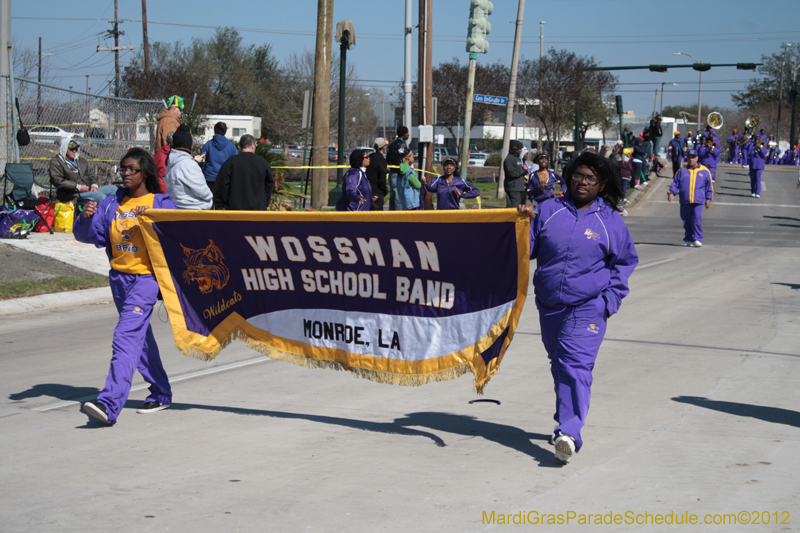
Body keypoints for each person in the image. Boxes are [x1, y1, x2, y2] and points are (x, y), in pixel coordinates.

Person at [518, 151, 638, 464]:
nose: (583, 182)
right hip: (549, 305)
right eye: (578, 175)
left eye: (591, 179)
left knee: (575, 365)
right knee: (559, 363)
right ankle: (565, 419)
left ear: (602, 185)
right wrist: (520, 222)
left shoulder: (610, 221)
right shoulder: (549, 210)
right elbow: (526, 250)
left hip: (587, 307)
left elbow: (625, 262)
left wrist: (608, 301)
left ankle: (569, 432)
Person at [75, 148, 175, 426]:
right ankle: (161, 392)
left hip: (146, 280)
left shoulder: (160, 202)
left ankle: (108, 404)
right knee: (139, 339)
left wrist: (153, 219)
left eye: (132, 169)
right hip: (119, 279)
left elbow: (177, 235)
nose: (126, 174)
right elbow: (88, 236)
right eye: (123, 169)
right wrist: (85, 217)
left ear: (145, 173)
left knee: (125, 337)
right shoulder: (111, 203)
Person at [213, 134, 274, 210]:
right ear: (252, 145)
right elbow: (269, 185)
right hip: (257, 210)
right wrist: (265, 203)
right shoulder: (262, 163)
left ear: (240, 146)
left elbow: (221, 185)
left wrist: (219, 205)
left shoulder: (231, 162)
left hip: (234, 210)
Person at [49, 137, 117, 204]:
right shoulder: (56, 162)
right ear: (64, 148)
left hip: (88, 189)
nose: (74, 151)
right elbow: (58, 180)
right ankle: (106, 214)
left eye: (75, 148)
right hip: (72, 194)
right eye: (72, 149)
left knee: (113, 189)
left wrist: (94, 185)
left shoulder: (80, 161)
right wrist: (77, 187)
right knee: (100, 197)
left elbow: (90, 175)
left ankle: (118, 212)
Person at [667, 149, 713, 247]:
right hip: (685, 200)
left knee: (696, 219)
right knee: (686, 220)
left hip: (698, 200)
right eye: (689, 158)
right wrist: (671, 192)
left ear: (697, 158)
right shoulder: (682, 170)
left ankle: (697, 238)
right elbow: (675, 183)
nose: (691, 160)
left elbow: (709, 187)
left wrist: (708, 199)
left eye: (693, 158)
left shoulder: (704, 171)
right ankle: (688, 238)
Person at [165, 125, 213, 210]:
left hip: (175, 206)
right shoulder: (188, 164)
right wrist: (210, 196)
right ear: (188, 144)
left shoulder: (171, 162)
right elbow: (202, 191)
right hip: (193, 209)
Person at [199, 122, 238, 190]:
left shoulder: (208, 145)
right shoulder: (231, 146)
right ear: (225, 131)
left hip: (210, 179)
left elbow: (201, 162)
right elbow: (235, 165)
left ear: (215, 131)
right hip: (225, 180)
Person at [386, 126, 410, 211]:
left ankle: (391, 213)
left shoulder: (392, 144)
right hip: (399, 173)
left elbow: (388, 158)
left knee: (393, 194)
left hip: (392, 172)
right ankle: (398, 215)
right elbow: (401, 155)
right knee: (398, 195)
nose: (408, 135)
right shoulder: (401, 144)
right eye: (407, 133)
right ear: (404, 134)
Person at [366, 137, 389, 211]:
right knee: (377, 218)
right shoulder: (381, 160)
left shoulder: (369, 158)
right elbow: (382, 179)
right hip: (377, 192)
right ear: (384, 147)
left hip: (367, 190)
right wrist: (384, 190)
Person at [503, 140, 527, 207]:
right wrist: (523, 171)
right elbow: (512, 173)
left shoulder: (516, 158)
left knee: (520, 206)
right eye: (519, 149)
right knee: (514, 207)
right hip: (513, 187)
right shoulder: (509, 159)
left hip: (519, 187)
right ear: (515, 149)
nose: (521, 150)